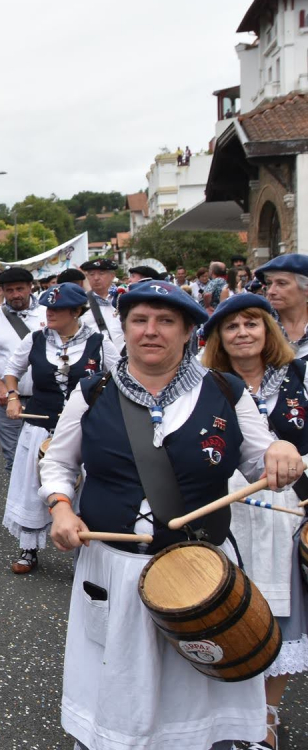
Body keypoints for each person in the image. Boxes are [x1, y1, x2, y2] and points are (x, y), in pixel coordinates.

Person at [39, 280, 302, 750]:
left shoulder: (225, 389)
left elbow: (263, 458)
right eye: (139, 320)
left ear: (188, 333)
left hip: (202, 573)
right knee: (120, 689)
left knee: (194, 698)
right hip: (116, 569)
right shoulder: (93, 392)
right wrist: (60, 507)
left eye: (166, 321)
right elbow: (58, 463)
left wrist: (282, 450)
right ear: (124, 329)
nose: (151, 331)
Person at [201, 293, 308, 749]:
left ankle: (265, 719)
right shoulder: (207, 383)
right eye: (231, 326)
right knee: (228, 617)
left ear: (269, 329)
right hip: (225, 511)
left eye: (252, 323)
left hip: (290, 512)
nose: (243, 332)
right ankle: (223, 717)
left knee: (279, 619)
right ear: (219, 339)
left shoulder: (300, 377)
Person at [0, 283, 118, 574]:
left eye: (57, 309)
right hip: (41, 426)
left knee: (87, 488)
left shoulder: (100, 342)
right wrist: (13, 397)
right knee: (34, 486)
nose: (49, 313)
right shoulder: (35, 338)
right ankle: (29, 550)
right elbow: (12, 370)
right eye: (48, 308)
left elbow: (119, 377)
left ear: (77, 312)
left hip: (85, 428)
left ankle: (86, 553)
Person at [0, 267, 46, 477]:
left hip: (44, 398)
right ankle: (18, 508)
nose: (15, 295)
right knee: (14, 459)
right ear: (1, 291)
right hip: (6, 400)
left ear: (30, 287)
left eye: (20, 289)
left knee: (46, 457)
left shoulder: (47, 315)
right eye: (10, 290)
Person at [255, 253, 308, 360]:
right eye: (269, 283)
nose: (271, 291)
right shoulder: (258, 324)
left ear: (306, 289)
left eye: (281, 283)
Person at [79, 257, 124, 350]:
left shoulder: (123, 298)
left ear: (112, 275)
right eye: (91, 274)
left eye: (101, 273)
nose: (96, 278)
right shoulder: (81, 303)